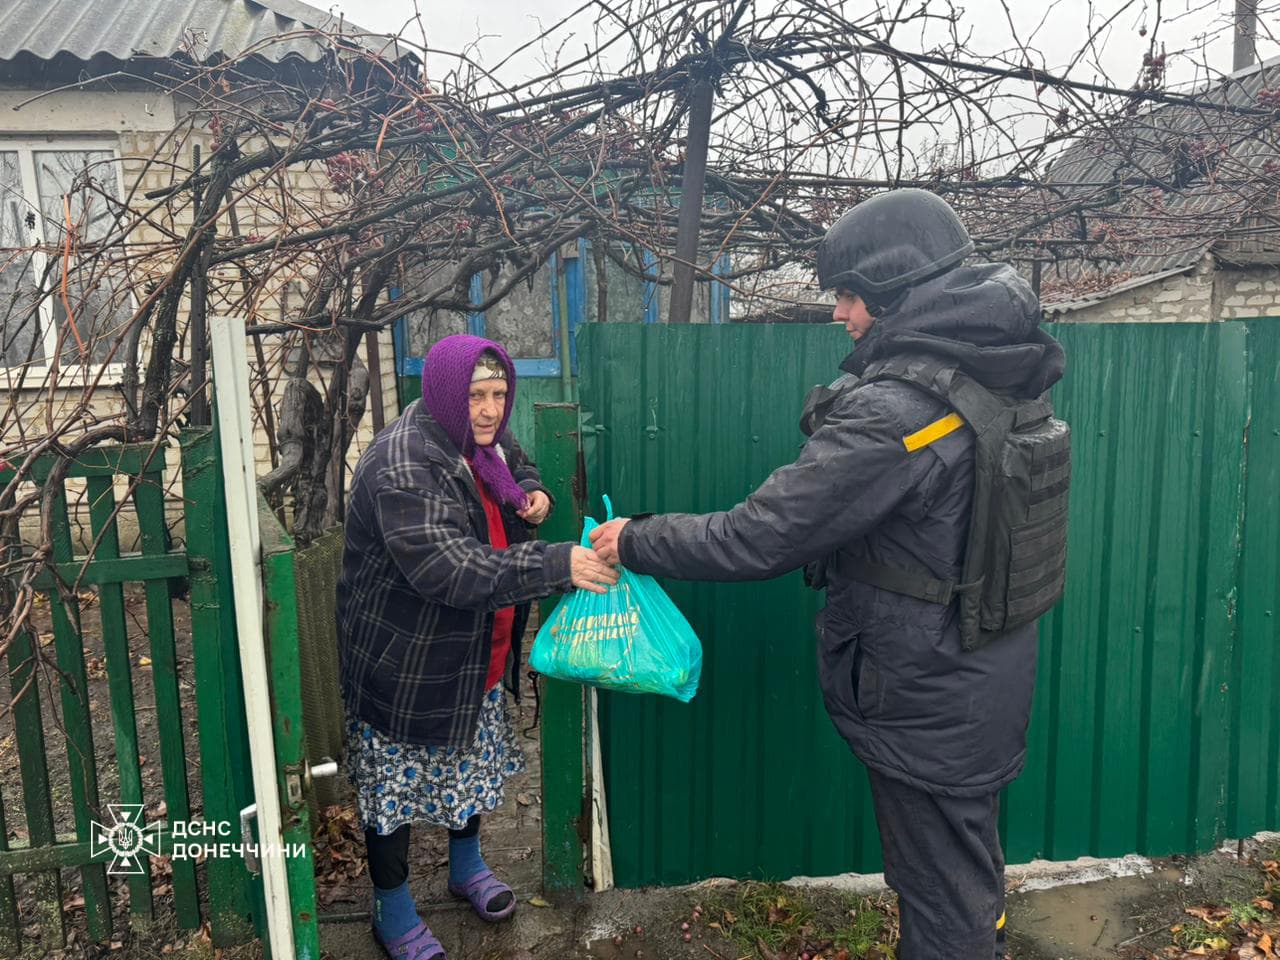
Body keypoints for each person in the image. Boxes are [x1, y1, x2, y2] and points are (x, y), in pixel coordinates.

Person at [590, 189, 1067, 960]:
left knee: (944, 896)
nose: (839, 314)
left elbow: (762, 535)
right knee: (961, 870)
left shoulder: (903, 410)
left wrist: (635, 538)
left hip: (928, 690)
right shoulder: (998, 369)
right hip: (978, 674)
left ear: (895, 291)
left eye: (848, 296)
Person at [337, 334, 618, 960]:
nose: (489, 410)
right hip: (406, 664)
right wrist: (554, 562)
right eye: (475, 396)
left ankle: (465, 868)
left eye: (498, 395)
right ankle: (393, 908)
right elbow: (450, 569)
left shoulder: (477, 438)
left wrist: (533, 488)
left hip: (473, 654)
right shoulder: (404, 465)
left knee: (472, 766)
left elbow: (515, 461)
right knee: (395, 795)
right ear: (443, 394)